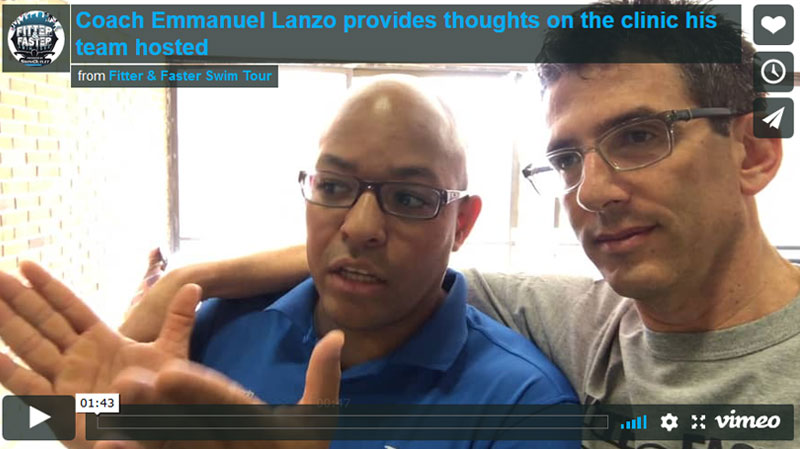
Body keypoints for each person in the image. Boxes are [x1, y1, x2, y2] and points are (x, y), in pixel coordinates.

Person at [125, 2, 800, 449]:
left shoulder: (522, 393)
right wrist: (184, 284)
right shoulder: (578, 318)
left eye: (640, 135)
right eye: (567, 158)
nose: (590, 191)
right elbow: (383, 260)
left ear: (753, 151)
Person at [0, 77, 578, 449]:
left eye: (408, 198)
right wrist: (100, 418)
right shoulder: (211, 332)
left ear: (463, 224)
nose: (360, 227)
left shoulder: (522, 406)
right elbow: (76, 421)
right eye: (334, 187)